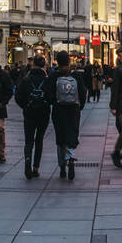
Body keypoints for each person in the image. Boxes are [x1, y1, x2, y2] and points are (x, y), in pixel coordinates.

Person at [48, 51, 83, 180]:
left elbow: (48, 93)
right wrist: (80, 106)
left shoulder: (53, 76)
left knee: (60, 137)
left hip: (59, 110)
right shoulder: (76, 76)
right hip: (73, 110)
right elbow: (83, 92)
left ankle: (62, 166)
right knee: (72, 134)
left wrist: (53, 102)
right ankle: (71, 158)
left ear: (57, 61)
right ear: (68, 61)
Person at [15, 55, 51, 179]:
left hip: (29, 113)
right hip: (43, 113)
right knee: (39, 139)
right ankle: (36, 168)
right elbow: (52, 97)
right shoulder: (47, 80)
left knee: (28, 140)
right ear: (44, 65)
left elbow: (18, 96)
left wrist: (25, 106)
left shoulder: (26, 79)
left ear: (33, 64)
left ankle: (27, 161)